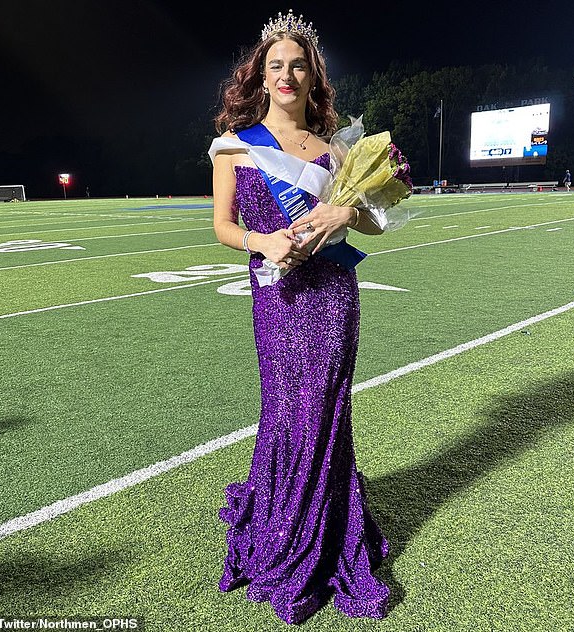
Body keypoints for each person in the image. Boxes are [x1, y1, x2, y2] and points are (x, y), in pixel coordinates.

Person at [208, 9, 390, 625]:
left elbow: (367, 219)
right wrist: (263, 242)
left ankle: (328, 531)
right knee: (288, 408)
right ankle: (285, 523)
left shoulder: (336, 149)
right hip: (278, 298)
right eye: (275, 66)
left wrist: (346, 215)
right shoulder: (235, 144)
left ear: (314, 77)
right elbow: (223, 228)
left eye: (298, 65)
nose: (286, 75)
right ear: (260, 77)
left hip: (333, 294)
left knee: (328, 406)